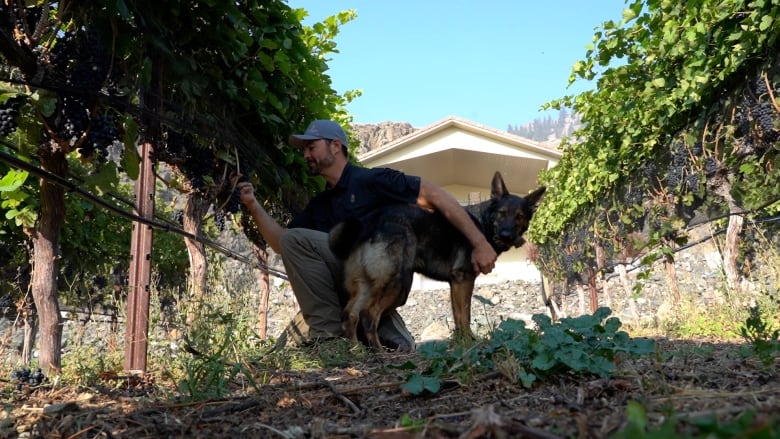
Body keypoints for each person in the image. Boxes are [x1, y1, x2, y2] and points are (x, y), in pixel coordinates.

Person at [236, 119, 498, 352]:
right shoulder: (320, 205)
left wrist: (479, 243)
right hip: (348, 289)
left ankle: (331, 337)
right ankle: (332, 335)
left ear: (335, 146)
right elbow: (284, 244)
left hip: (386, 281)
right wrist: (252, 205)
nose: (305, 154)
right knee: (402, 350)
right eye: (304, 149)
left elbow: (435, 195)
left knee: (395, 347)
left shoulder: (374, 181)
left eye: (311, 147)